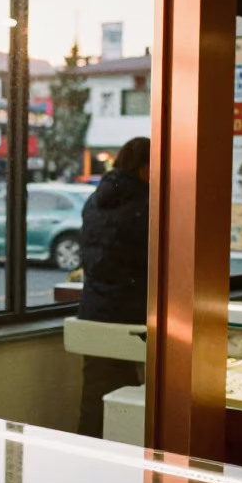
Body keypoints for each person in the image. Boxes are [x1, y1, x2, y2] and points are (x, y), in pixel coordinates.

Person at [76, 136, 150, 438]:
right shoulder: (148, 205)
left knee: (97, 392)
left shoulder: (96, 200)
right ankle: (123, 457)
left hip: (94, 311)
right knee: (128, 400)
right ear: (145, 167)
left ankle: (87, 453)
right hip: (130, 315)